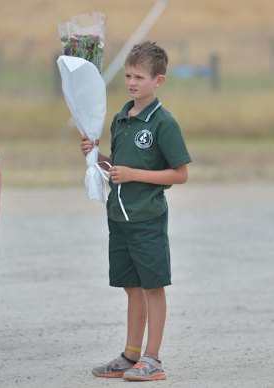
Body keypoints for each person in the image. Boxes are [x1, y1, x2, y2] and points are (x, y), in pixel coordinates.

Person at [80, 41, 191, 381]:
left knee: (152, 287)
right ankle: (130, 355)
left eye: (139, 77)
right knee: (131, 287)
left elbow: (180, 173)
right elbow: (118, 167)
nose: (131, 82)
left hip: (148, 218)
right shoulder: (120, 118)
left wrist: (134, 175)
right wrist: (95, 156)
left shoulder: (164, 123)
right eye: (128, 75)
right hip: (119, 217)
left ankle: (153, 358)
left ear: (158, 81)